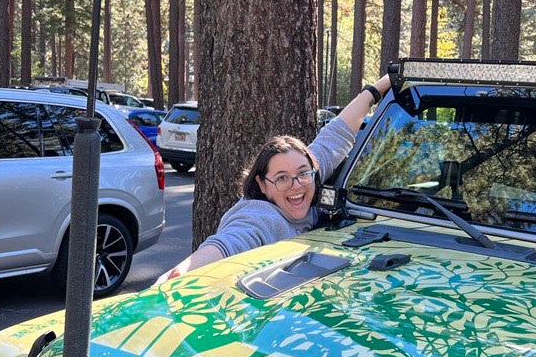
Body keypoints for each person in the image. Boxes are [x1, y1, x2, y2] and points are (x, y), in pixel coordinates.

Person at [156, 75, 391, 283]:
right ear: (262, 185)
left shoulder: (309, 177)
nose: (296, 185)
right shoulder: (261, 216)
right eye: (281, 178)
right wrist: (184, 271)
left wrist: (379, 87)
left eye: (302, 173)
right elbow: (230, 242)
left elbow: (338, 134)